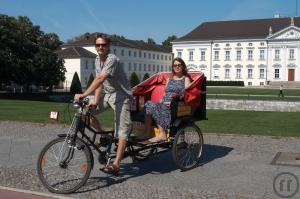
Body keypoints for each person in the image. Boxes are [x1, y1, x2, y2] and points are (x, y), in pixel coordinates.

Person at [74, 33, 132, 175]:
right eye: (98, 45)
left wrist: (84, 94)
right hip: (107, 95)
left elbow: (101, 78)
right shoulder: (96, 60)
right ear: (95, 46)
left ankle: (116, 164)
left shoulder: (112, 59)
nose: (101, 47)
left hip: (122, 95)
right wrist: (94, 100)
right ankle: (104, 135)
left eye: (103, 45)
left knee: (122, 130)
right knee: (84, 112)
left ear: (108, 46)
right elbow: (100, 83)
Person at [144, 57, 192, 142]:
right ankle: (147, 133)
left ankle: (162, 134)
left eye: (179, 65)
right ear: (173, 68)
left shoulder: (186, 79)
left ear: (183, 66)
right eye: (175, 65)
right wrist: (162, 100)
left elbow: (186, 94)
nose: (177, 67)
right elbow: (165, 93)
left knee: (157, 106)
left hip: (176, 104)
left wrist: (176, 96)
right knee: (149, 104)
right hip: (165, 102)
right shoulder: (169, 79)